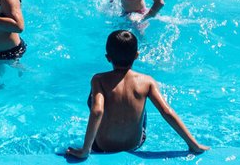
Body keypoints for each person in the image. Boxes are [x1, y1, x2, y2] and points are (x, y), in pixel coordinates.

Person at [66, 30, 207, 158]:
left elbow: (97, 111)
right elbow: (166, 112)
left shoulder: (99, 79)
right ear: (136, 55)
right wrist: (194, 144)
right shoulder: (147, 81)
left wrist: (86, 150)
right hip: (134, 144)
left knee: (94, 100)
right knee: (141, 105)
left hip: (103, 146)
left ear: (108, 57)